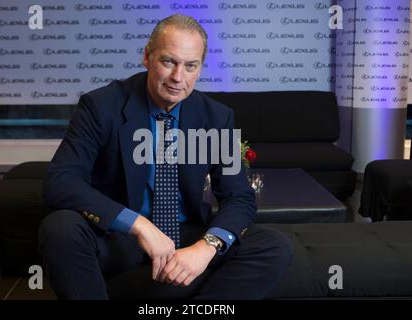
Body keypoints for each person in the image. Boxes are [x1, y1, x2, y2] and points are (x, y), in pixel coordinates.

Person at [39, 13, 293, 300]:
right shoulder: (101, 106)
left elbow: (240, 196)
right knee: (60, 228)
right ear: (147, 58)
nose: (178, 77)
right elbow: (61, 181)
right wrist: (138, 225)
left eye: (190, 66)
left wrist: (205, 247)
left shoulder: (217, 117)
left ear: (200, 68)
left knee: (273, 245)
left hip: (187, 235)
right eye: (168, 61)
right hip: (122, 238)